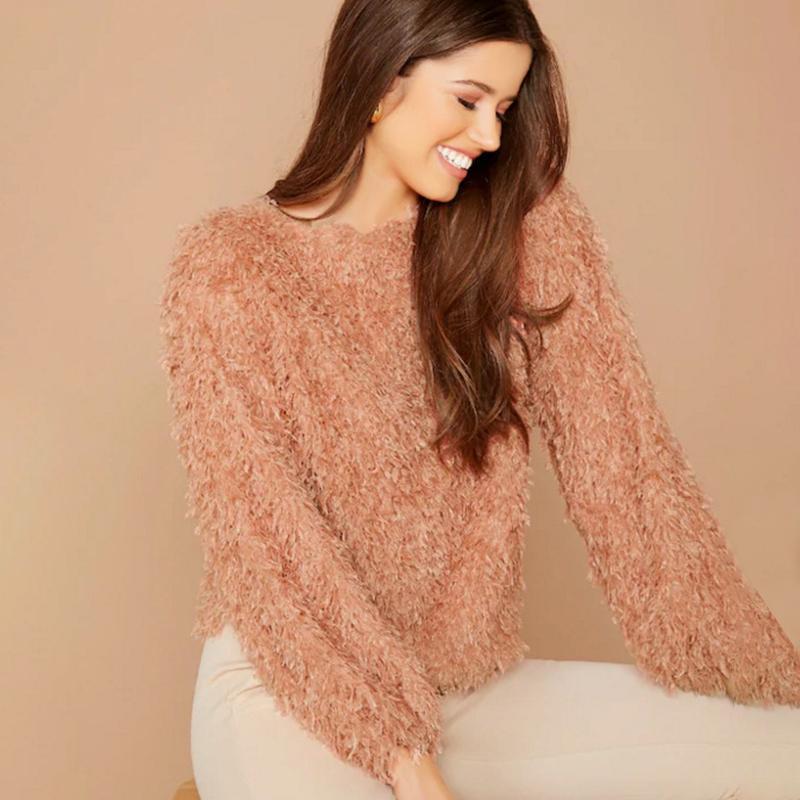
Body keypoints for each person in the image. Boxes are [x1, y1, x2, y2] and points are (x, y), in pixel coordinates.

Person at [158, 1, 800, 798]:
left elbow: (632, 481)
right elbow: (272, 552)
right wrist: (405, 759)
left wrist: (765, 676)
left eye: (503, 108)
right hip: (291, 688)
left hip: (469, 691)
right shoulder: (231, 267)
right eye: (468, 100)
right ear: (379, 80)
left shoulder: (525, 228)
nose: (490, 136)